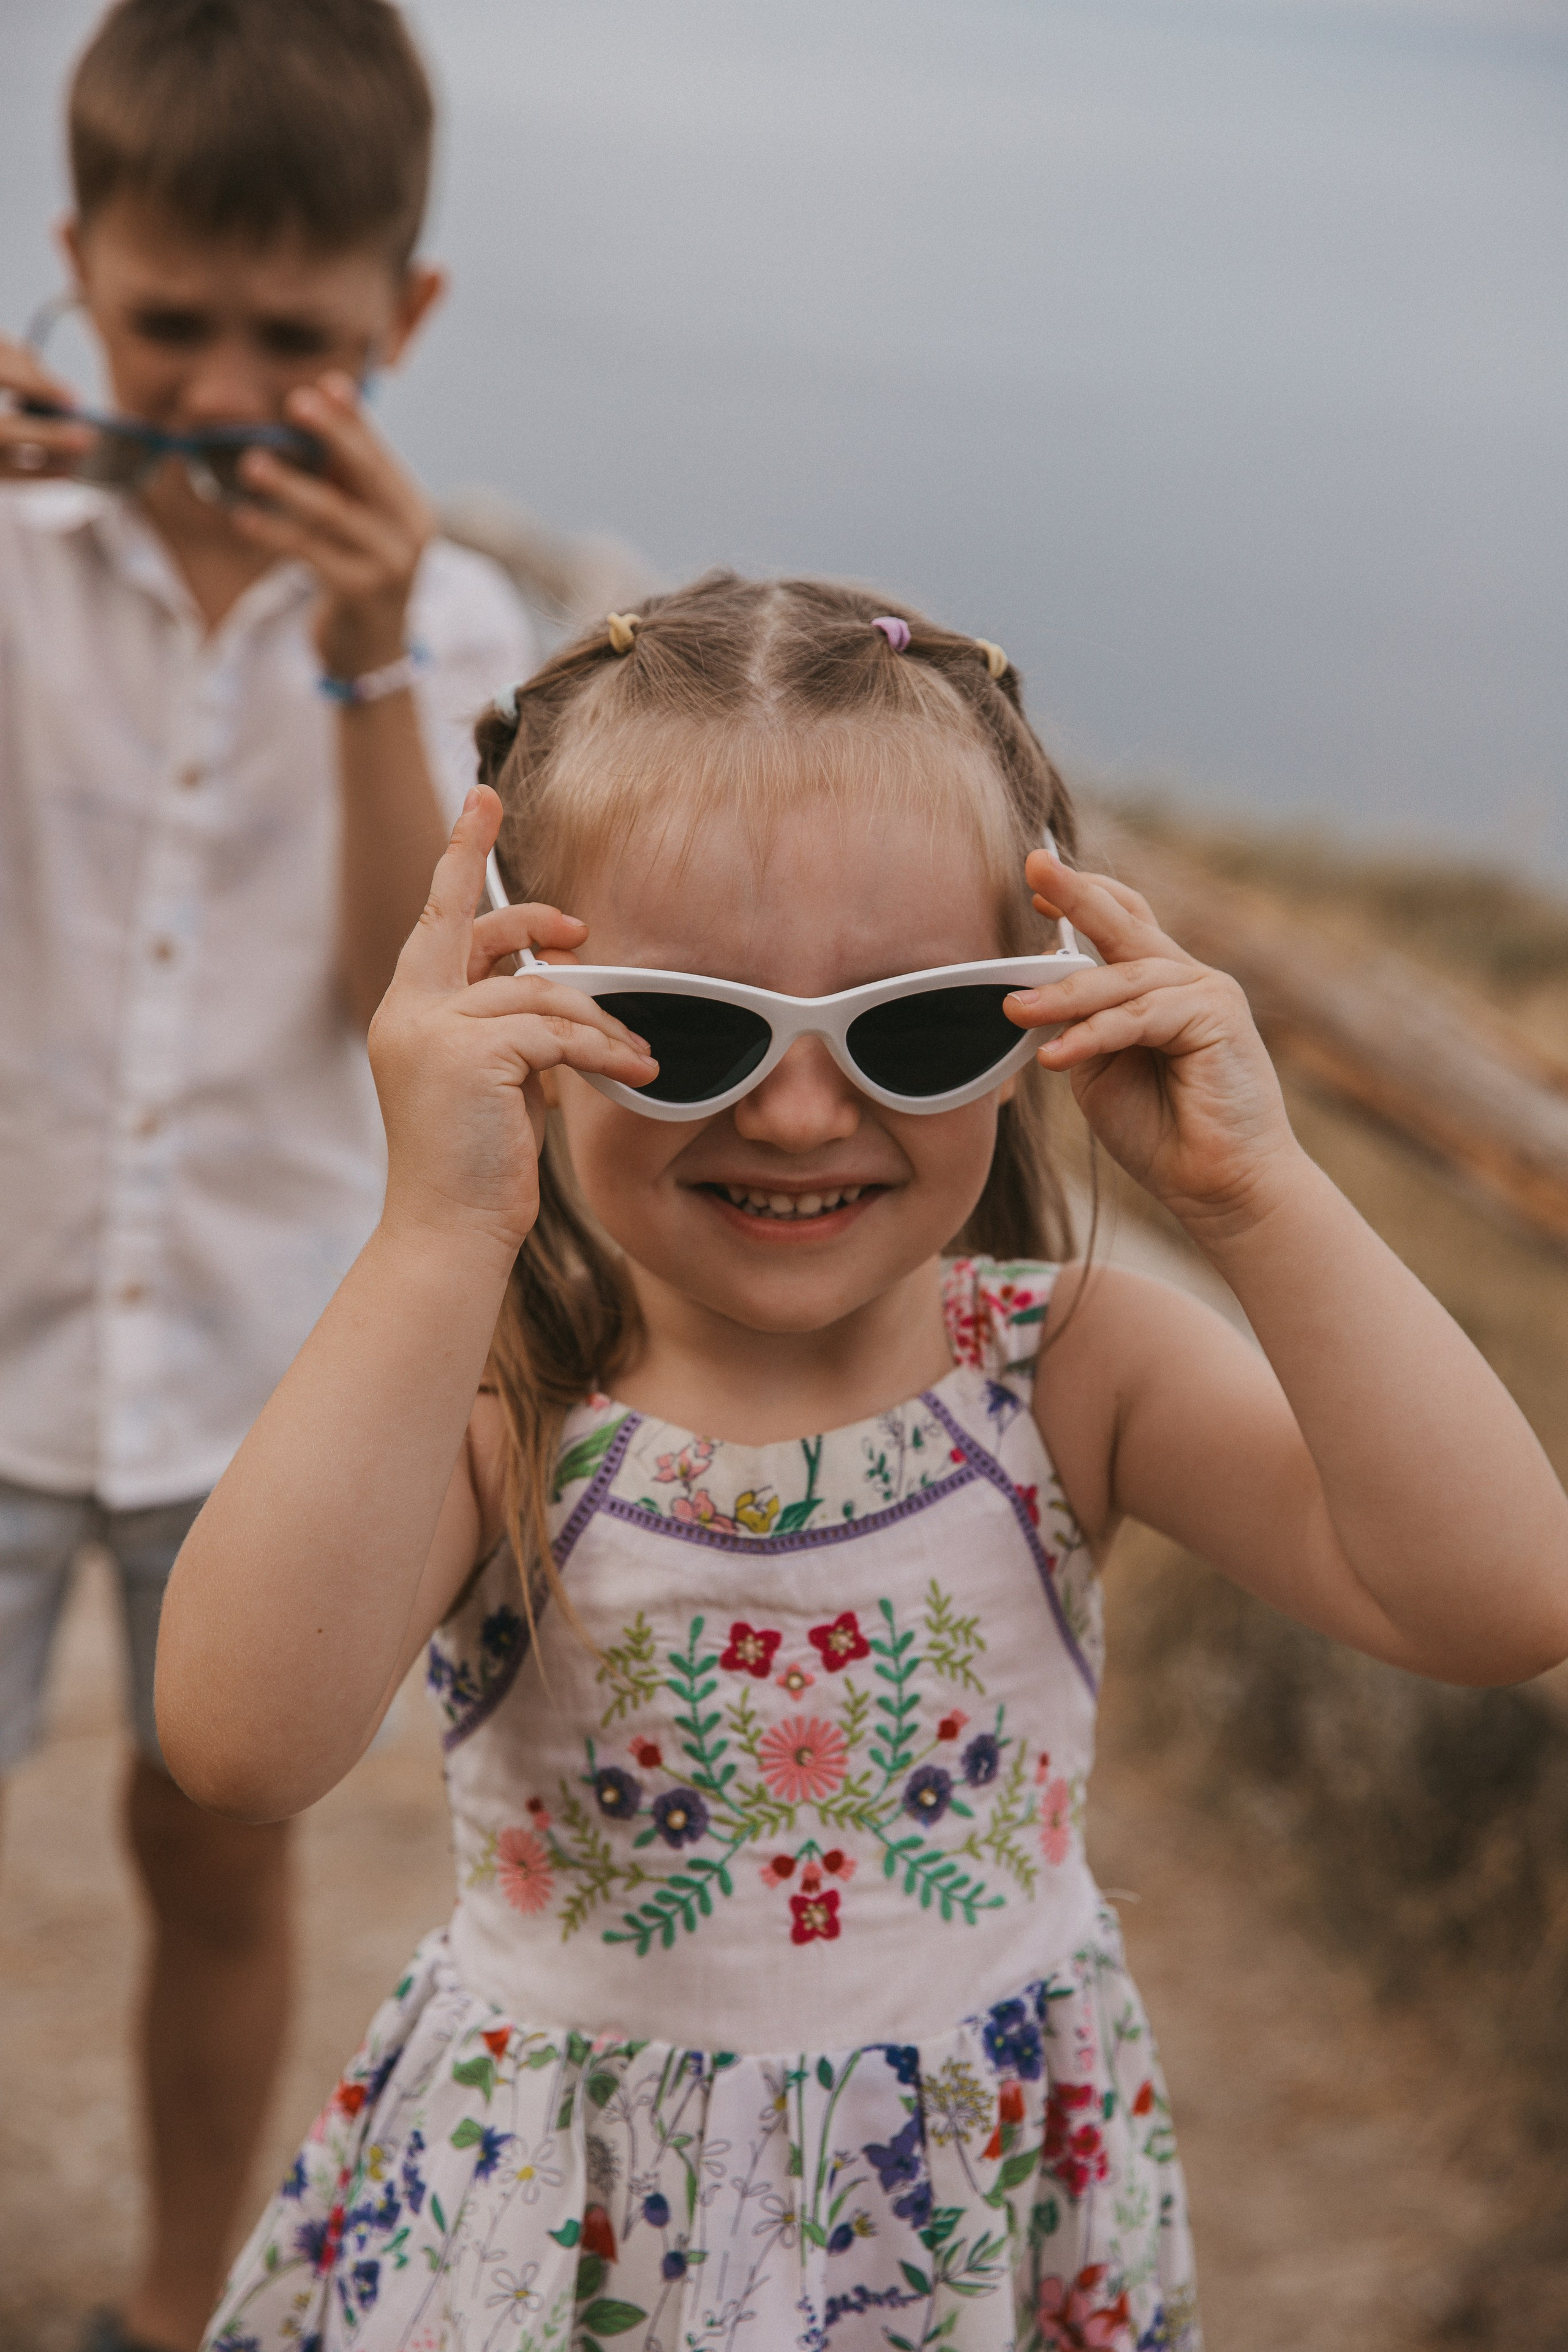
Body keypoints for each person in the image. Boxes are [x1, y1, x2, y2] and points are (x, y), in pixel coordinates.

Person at [158, 573, 1568, 2351]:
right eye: (687, 1027)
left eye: (918, 1026)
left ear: (1040, 1017)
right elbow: (236, 1739)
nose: (804, 1113)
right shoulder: (500, 1403)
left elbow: (1506, 1596)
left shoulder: (1076, 1374)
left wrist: (1259, 1195)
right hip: (565, 2235)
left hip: (966, 2236)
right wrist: (439, 1230)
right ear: (523, 1009)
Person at [0, 6, 532, 2347]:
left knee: (213, 1876)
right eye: (164, 322)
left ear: (404, 322)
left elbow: (385, 997)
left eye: (294, 342)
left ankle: (159, 2307)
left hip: (254, 1380)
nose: (217, 387)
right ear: (70, 267)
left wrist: (361, 653)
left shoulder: (461, 627)